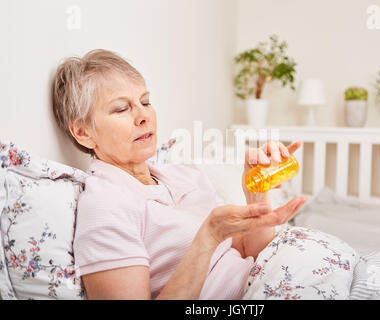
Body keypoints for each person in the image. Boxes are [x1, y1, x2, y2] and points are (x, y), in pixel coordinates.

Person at [51, 49, 306, 300]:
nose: (144, 116)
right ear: (84, 132)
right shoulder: (105, 206)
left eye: (146, 102)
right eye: (121, 108)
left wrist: (257, 196)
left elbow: (248, 251)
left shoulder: (184, 177)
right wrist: (209, 237)